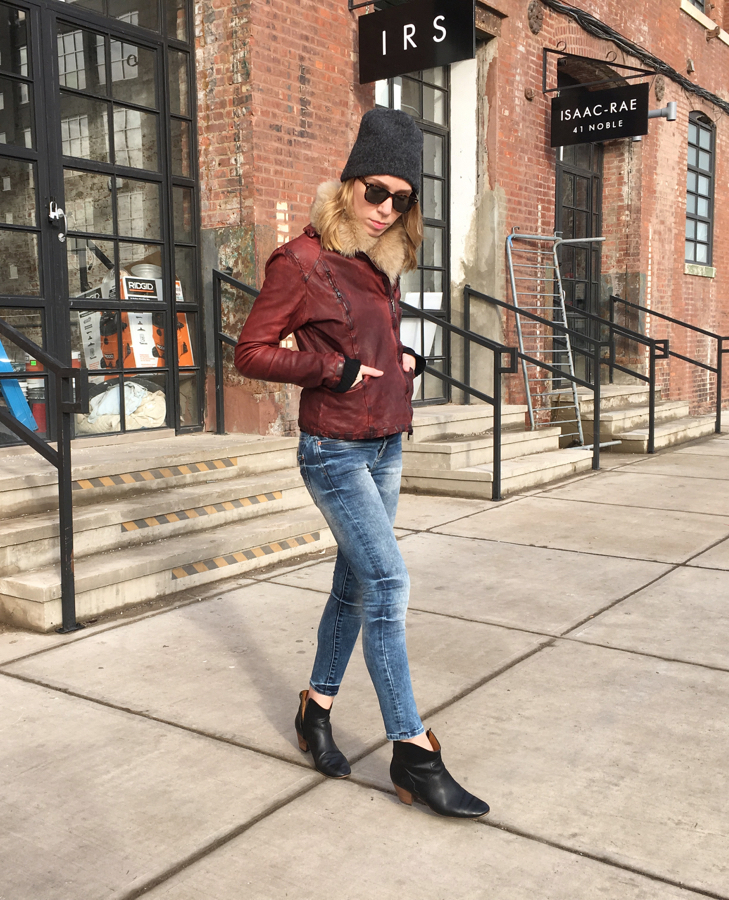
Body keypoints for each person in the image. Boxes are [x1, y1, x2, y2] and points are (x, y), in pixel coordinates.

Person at [234, 108, 488, 819]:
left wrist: (401, 360)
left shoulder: (381, 264)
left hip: (388, 445)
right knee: (387, 584)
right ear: (348, 185)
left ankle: (314, 709)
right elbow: (250, 350)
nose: (385, 210)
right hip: (335, 451)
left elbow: (372, 344)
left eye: (401, 200)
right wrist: (332, 371)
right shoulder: (301, 261)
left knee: (353, 588)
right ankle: (414, 751)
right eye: (376, 192)